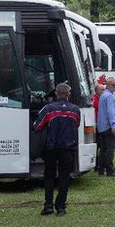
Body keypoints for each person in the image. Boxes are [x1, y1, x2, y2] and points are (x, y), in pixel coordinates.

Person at [33, 83, 80, 216]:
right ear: (68, 94)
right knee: (65, 177)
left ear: (56, 94)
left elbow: (37, 125)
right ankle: (61, 207)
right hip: (68, 147)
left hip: (51, 147)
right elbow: (76, 125)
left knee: (49, 176)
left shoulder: (48, 109)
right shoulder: (75, 110)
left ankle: (48, 205)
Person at [96, 77, 115, 176]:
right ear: (107, 85)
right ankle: (110, 170)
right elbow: (111, 112)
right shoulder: (110, 96)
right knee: (110, 149)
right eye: (113, 85)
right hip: (108, 127)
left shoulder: (103, 95)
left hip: (102, 127)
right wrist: (114, 125)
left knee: (103, 149)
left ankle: (101, 169)